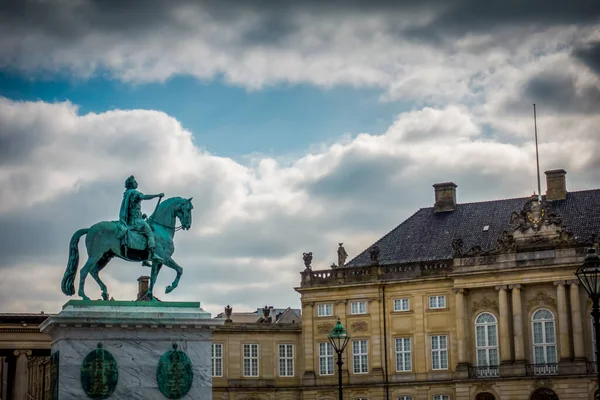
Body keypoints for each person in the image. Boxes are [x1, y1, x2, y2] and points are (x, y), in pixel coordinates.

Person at [119, 175, 164, 262]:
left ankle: (145, 258)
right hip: (136, 221)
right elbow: (143, 197)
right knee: (150, 233)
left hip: (133, 219)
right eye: (135, 182)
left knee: (143, 234)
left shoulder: (127, 193)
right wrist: (157, 195)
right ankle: (153, 254)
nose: (137, 183)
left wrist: (141, 215)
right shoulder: (134, 193)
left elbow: (131, 209)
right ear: (132, 184)